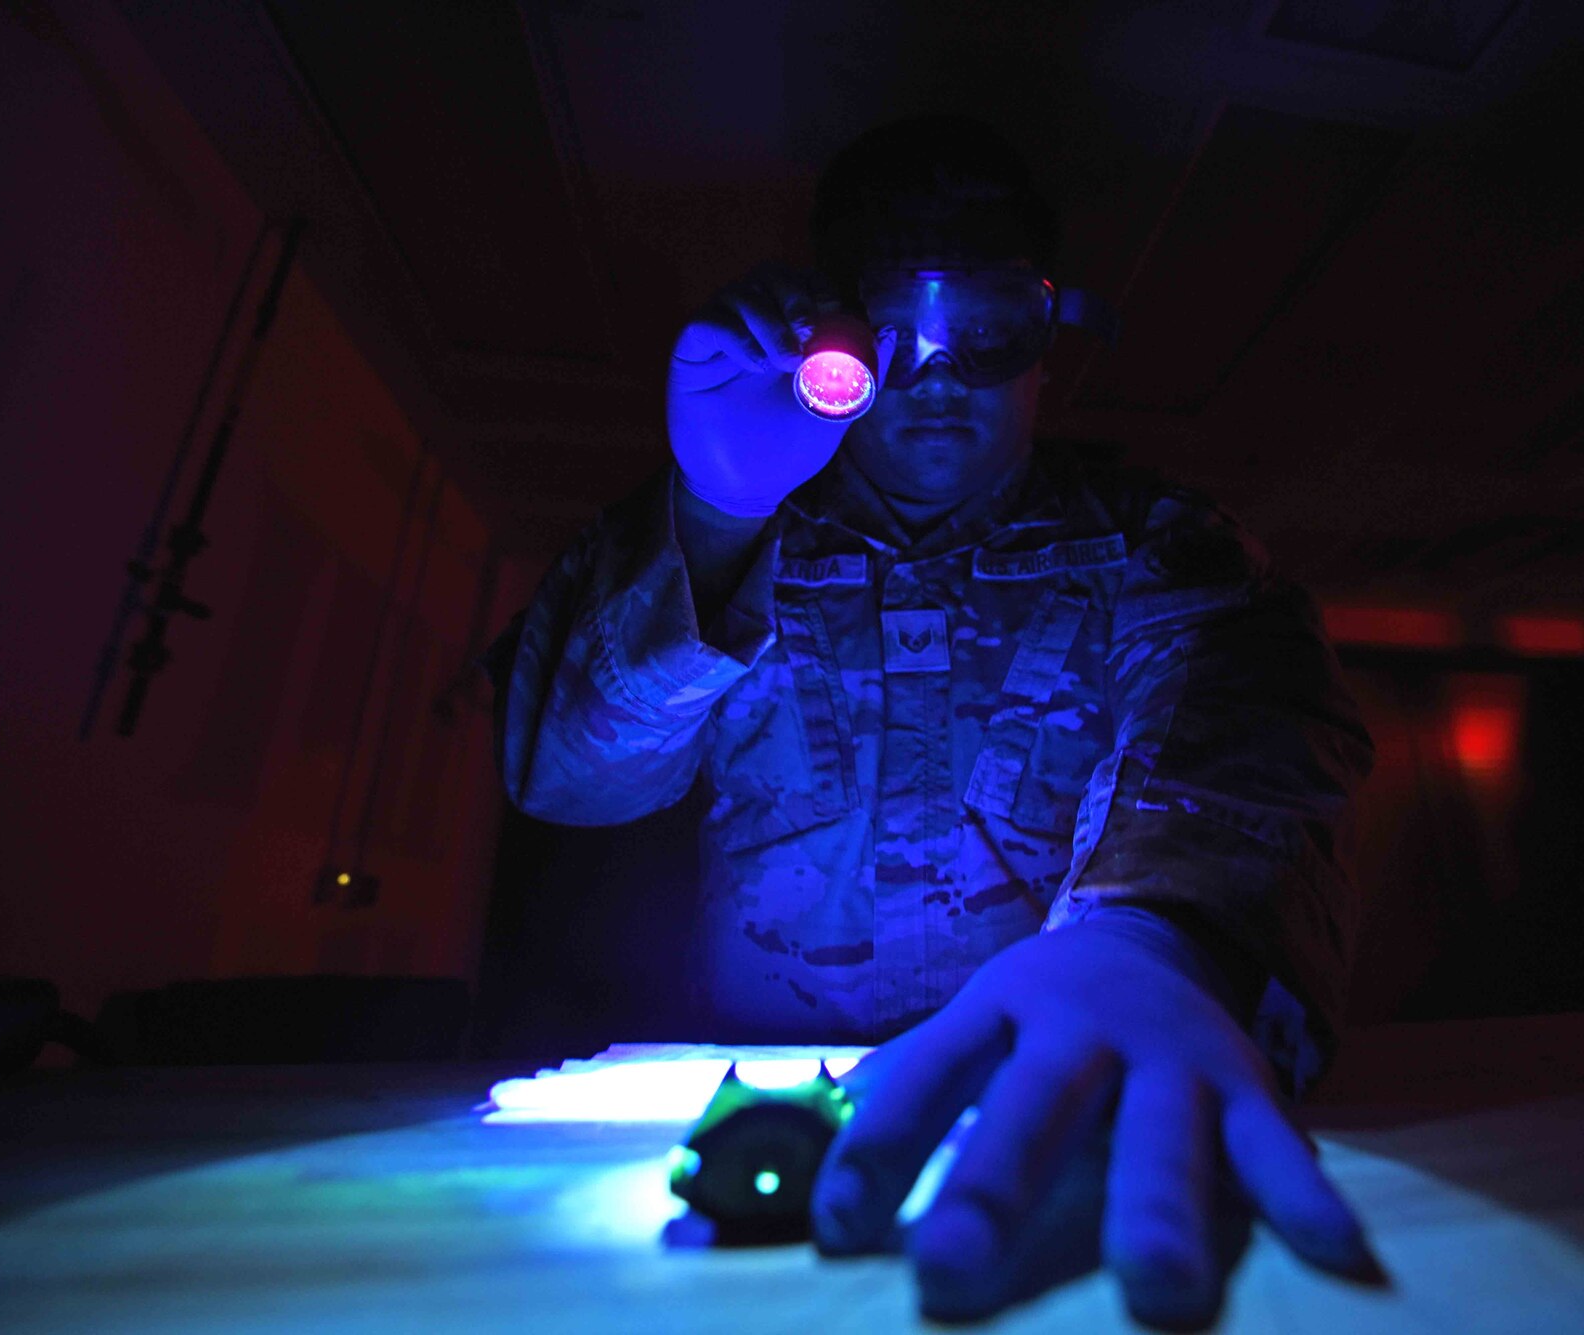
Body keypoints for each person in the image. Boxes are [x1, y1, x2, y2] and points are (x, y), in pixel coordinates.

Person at [487, 113, 1379, 1325]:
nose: (940, 376)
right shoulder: (733, 526)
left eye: (990, 324)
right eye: (893, 333)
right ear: (833, 339)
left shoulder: (1153, 545)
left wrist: (1155, 935)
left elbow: (1246, 713)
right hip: (755, 1093)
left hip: (1059, 1086)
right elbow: (565, 778)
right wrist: (712, 520)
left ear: (1047, 337)